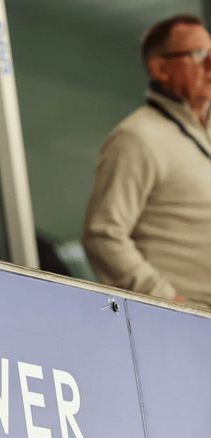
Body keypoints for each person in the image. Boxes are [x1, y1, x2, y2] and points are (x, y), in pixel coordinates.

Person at [83, 14, 211, 307]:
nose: (210, 64)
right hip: (187, 324)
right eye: (198, 54)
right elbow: (103, 235)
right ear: (160, 68)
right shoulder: (137, 137)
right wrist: (168, 301)